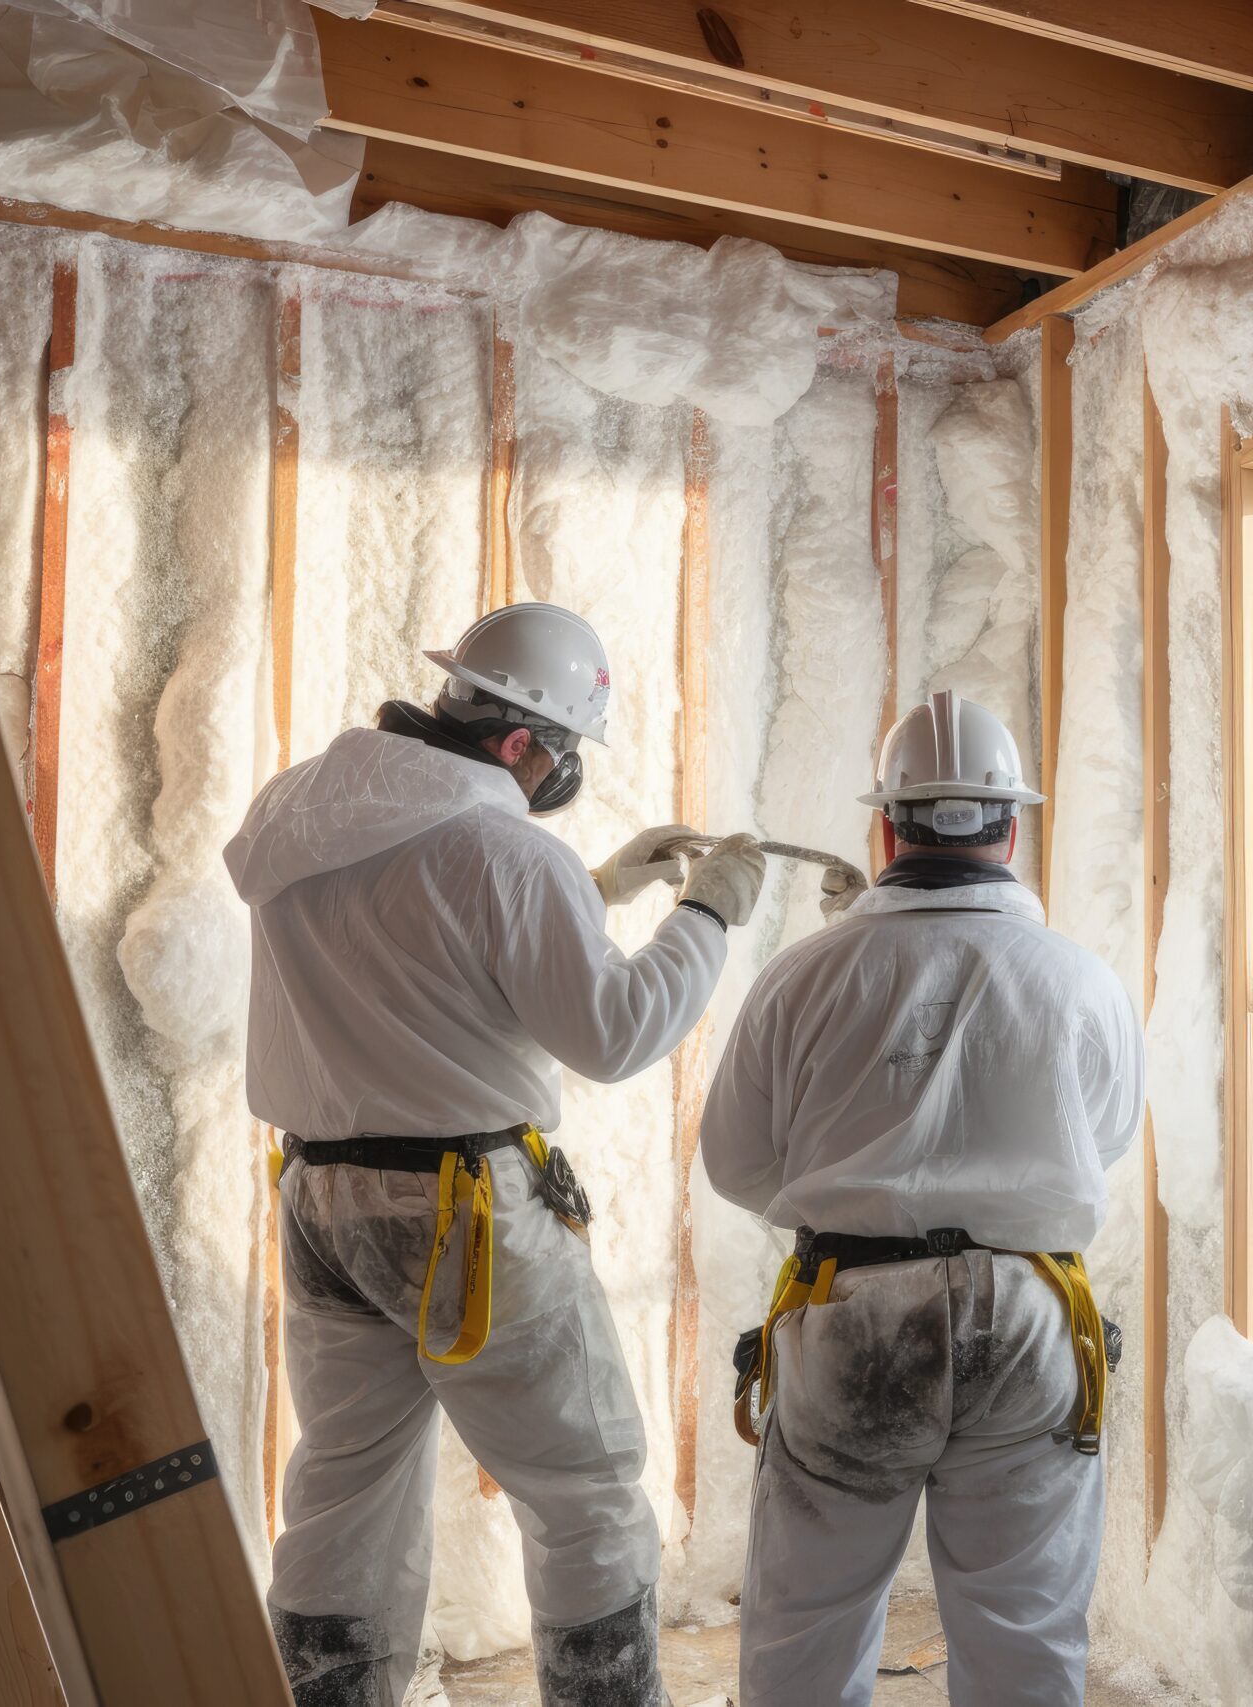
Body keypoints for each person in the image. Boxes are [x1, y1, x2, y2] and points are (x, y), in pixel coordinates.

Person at [225, 601, 768, 1707]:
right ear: (521, 742)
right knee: (586, 1487)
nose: (562, 775)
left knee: (346, 1484)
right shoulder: (504, 851)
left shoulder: (303, 812)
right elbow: (611, 1031)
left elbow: (417, 947)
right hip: (461, 1209)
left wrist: (599, 889)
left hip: (321, 1199)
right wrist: (703, 918)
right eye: (562, 753)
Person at [699, 688, 1146, 1707]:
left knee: (807, 1629)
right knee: (1024, 1631)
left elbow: (736, 1162)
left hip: (855, 1314)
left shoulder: (801, 974)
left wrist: (859, 1190)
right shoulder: (1080, 980)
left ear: (886, 823)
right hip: (1031, 1319)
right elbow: (1102, 1140)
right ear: (1012, 825)